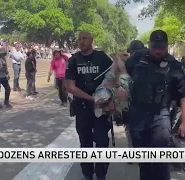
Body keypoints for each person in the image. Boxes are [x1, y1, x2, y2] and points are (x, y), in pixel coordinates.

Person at [125, 30, 185, 180]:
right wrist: (119, 86)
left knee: (161, 159)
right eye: (155, 47)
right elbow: (120, 70)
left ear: (167, 46)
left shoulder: (175, 66)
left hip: (160, 114)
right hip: (137, 115)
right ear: (149, 45)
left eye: (161, 47)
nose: (158, 50)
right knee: (143, 159)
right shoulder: (136, 58)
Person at [65, 31, 113, 180]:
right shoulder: (73, 60)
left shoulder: (102, 58)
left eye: (84, 38)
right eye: (79, 39)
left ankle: (101, 175)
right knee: (85, 144)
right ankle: (88, 175)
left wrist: (110, 99)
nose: (81, 41)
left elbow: (114, 77)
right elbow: (70, 87)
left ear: (92, 40)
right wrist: (91, 98)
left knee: (102, 142)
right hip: (82, 108)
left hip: (101, 109)